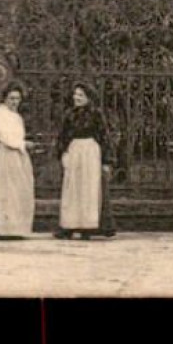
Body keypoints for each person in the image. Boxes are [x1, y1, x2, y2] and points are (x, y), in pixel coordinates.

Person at [54, 82, 109, 240]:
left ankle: (87, 226)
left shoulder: (96, 114)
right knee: (72, 188)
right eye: (75, 94)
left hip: (90, 151)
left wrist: (106, 160)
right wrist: (62, 152)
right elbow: (62, 135)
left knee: (88, 187)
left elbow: (104, 136)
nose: (76, 98)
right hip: (74, 150)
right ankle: (69, 225)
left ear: (88, 98)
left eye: (80, 95)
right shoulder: (69, 114)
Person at [0, 81, 35, 238]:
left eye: (17, 98)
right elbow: (5, 137)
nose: (15, 102)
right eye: (11, 98)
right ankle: (9, 228)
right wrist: (23, 144)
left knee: (21, 189)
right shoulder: (1, 114)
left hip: (18, 154)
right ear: (5, 99)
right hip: (9, 155)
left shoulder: (15, 115)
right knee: (10, 191)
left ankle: (19, 227)